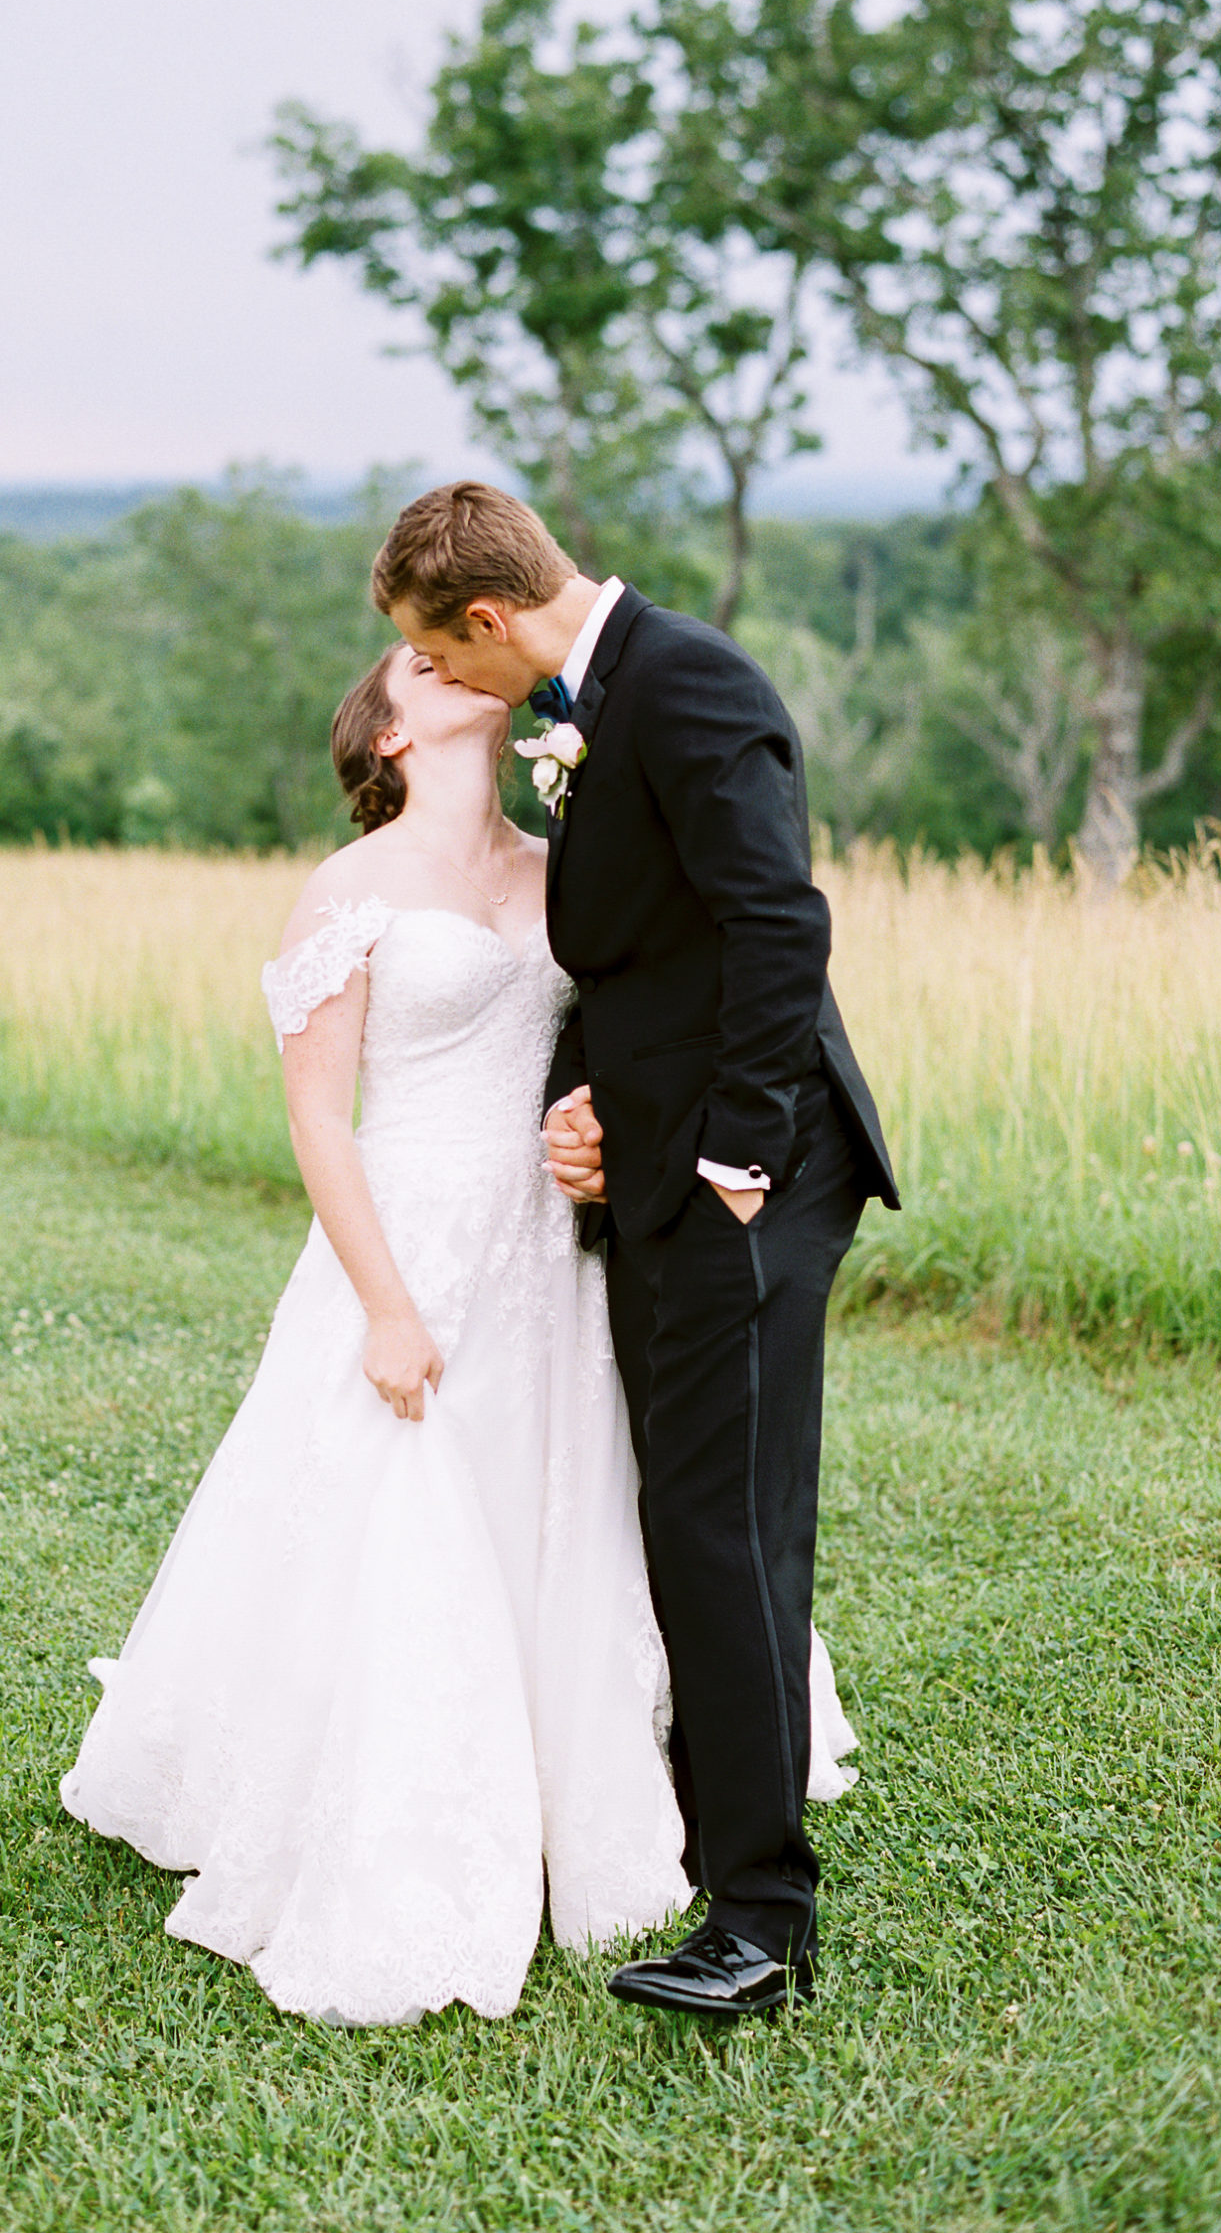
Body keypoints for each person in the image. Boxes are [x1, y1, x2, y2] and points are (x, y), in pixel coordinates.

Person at [60, 637, 857, 2027]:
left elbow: (610, 1041)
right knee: (404, 1518)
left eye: (451, 643)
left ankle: (596, 1784)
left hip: (554, 1246)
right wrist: (382, 1305)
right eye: (412, 664)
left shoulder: (566, 869)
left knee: (577, 1499)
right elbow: (317, 1116)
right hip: (411, 1236)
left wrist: (597, 1122)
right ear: (382, 738)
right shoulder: (347, 890)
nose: (446, 663)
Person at [377, 480, 899, 2023]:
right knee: (696, 1513)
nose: (450, 685)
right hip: (656, 1166)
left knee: (719, 1524)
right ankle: (710, 1822)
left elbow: (772, 927)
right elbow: (641, 959)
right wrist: (585, 1099)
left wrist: (734, 1160)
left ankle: (760, 1921)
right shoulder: (587, 699)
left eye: (437, 654)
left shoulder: (688, 681)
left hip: (748, 1178)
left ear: (481, 618)